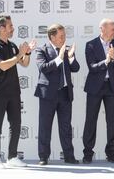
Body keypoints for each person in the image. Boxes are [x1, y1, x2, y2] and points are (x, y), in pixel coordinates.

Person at [0, 15, 36, 168]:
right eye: (10, 26)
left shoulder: (13, 45)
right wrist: (19, 54)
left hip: (14, 91)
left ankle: (12, 157)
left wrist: (26, 53)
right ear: (2, 28)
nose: (13, 28)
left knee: (16, 124)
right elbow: (3, 66)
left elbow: (25, 64)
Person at [34, 24, 80, 165]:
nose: (64, 38)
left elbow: (76, 68)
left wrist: (70, 57)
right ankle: (43, 157)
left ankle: (69, 156)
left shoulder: (66, 50)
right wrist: (59, 59)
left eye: (64, 35)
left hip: (65, 93)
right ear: (52, 37)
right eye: (61, 36)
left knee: (66, 127)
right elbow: (43, 68)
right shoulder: (42, 50)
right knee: (45, 126)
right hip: (48, 95)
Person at [82, 18, 114, 164]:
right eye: (113, 29)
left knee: (112, 121)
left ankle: (111, 153)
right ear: (103, 29)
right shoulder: (91, 45)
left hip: (112, 87)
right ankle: (88, 153)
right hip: (95, 87)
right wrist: (106, 61)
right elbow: (92, 67)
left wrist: (113, 58)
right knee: (90, 120)